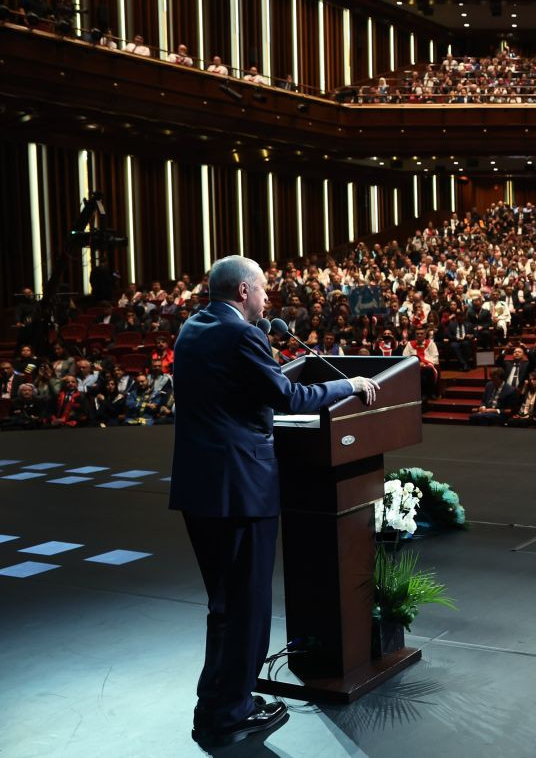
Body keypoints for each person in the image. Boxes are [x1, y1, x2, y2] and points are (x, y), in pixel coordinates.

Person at [169, 255, 381, 748]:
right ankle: (228, 715)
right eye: (264, 290)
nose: (268, 299)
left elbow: (241, 391)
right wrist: (347, 384)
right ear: (244, 291)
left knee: (224, 606)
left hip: (201, 489)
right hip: (241, 491)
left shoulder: (193, 328)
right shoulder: (243, 334)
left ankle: (222, 703)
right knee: (246, 607)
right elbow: (288, 396)